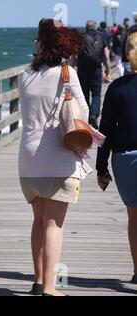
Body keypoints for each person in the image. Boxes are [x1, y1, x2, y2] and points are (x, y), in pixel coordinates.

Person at [18, 19, 91, 296]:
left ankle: (38, 281)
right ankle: (50, 287)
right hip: (58, 159)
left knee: (38, 220)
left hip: (28, 160)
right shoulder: (66, 73)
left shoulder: (24, 75)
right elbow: (81, 111)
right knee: (54, 224)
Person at [97, 33, 137, 285]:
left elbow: (106, 130)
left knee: (134, 217)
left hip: (125, 159)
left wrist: (101, 168)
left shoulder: (117, 87)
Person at [77, 20, 112, 130]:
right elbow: (106, 56)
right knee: (96, 95)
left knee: (84, 94)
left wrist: (71, 69)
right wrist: (108, 72)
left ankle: (86, 116)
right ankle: (94, 114)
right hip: (96, 70)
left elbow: (74, 56)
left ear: (86, 27)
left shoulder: (81, 37)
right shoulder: (101, 37)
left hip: (82, 70)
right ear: (95, 27)